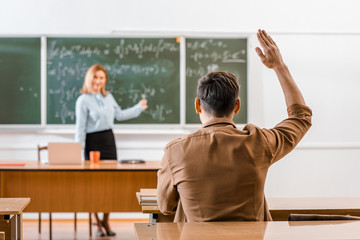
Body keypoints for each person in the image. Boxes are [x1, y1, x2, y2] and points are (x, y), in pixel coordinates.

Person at [157, 29, 312, 222]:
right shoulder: (259, 142)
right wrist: (279, 66)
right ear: (237, 105)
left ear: (197, 105)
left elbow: (165, 207)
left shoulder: (176, 151)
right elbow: (301, 117)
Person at [75, 64, 148, 236]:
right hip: (93, 143)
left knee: (110, 182)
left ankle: (106, 220)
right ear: (89, 78)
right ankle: (96, 221)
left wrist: (139, 107)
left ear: (104, 80)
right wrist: (80, 152)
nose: (98, 81)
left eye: (101, 78)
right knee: (93, 184)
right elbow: (79, 129)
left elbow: (120, 115)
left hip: (108, 141)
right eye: (95, 77)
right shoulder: (83, 100)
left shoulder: (109, 97)